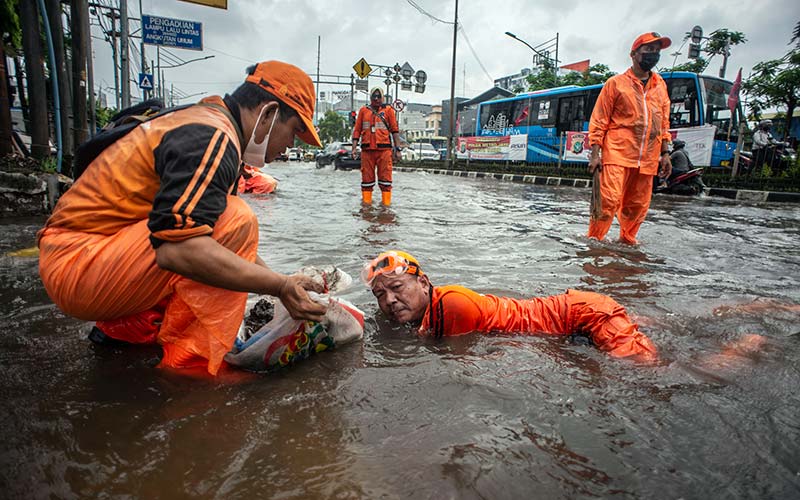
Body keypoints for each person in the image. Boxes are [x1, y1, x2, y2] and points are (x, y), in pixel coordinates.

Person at [37, 61, 327, 375]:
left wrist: (280, 282)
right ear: (268, 114)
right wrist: (279, 286)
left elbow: (212, 238)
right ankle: (193, 368)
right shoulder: (213, 136)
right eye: (294, 131)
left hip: (85, 255)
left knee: (217, 225)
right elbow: (181, 249)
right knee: (238, 219)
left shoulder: (205, 120)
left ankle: (124, 331)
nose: (290, 145)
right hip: (78, 265)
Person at [362, 251, 658, 360]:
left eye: (397, 288)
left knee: (648, 371)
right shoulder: (433, 305)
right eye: (380, 295)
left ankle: (706, 366)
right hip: (573, 314)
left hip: (583, 315)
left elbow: (458, 362)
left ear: (424, 283)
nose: (389, 300)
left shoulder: (452, 305)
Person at [587, 32, 673, 245]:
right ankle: (594, 242)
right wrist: (595, 154)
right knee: (608, 200)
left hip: (648, 158)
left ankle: (627, 241)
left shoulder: (660, 86)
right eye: (648, 50)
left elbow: (663, 123)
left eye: (657, 51)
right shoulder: (615, 84)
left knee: (637, 206)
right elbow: (599, 120)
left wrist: (665, 153)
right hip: (617, 152)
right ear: (634, 54)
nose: (653, 55)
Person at [352, 87, 403, 206]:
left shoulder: (389, 111)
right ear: (370, 98)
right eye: (373, 96)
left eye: (378, 96)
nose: (376, 99)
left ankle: (386, 207)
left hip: (384, 151)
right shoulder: (363, 111)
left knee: (385, 180)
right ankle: (366, 206)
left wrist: (398, 149)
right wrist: (354, 148)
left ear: (382, 97)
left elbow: (395, 131)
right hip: (367, 151)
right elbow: (357, 130)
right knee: (366, 181)